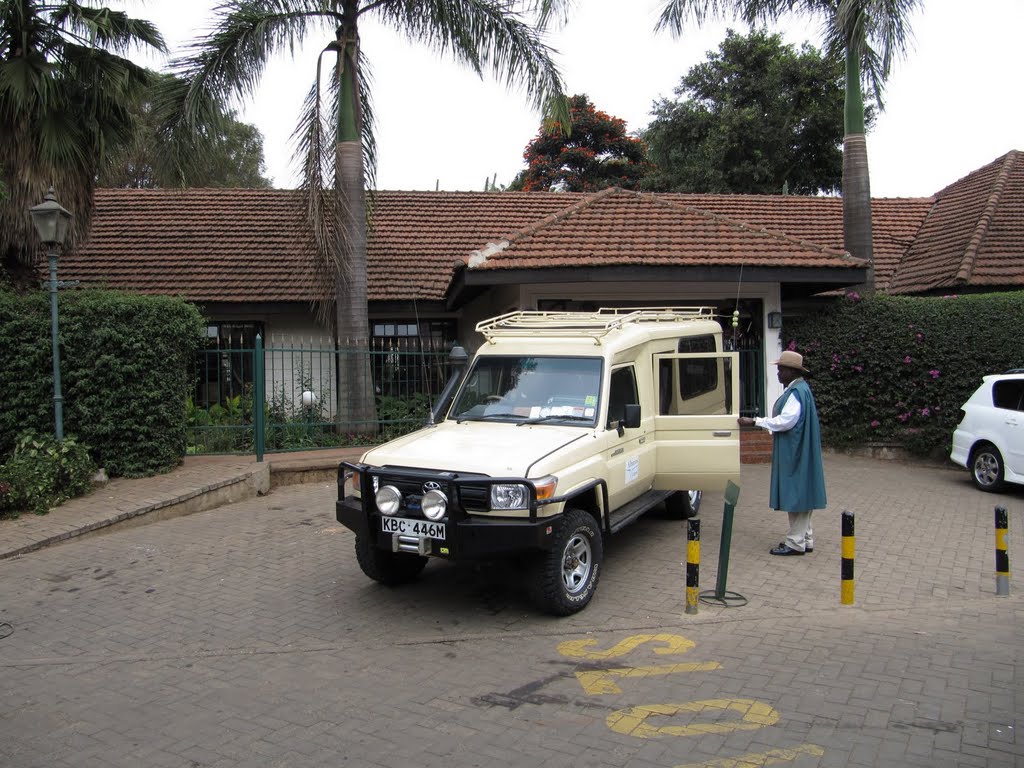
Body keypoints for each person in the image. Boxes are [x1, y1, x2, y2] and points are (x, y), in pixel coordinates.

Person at [737, 350, 827, 556]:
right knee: (802, 491)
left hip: (796, 452)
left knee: (797, 494)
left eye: (781, 370)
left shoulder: (796, 393)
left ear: (791, 371)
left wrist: (755, 421)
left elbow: (786, 421)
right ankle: (806, 538)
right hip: (799, 449)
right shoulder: (801, 389)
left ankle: (795, 542)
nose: (778, 374)